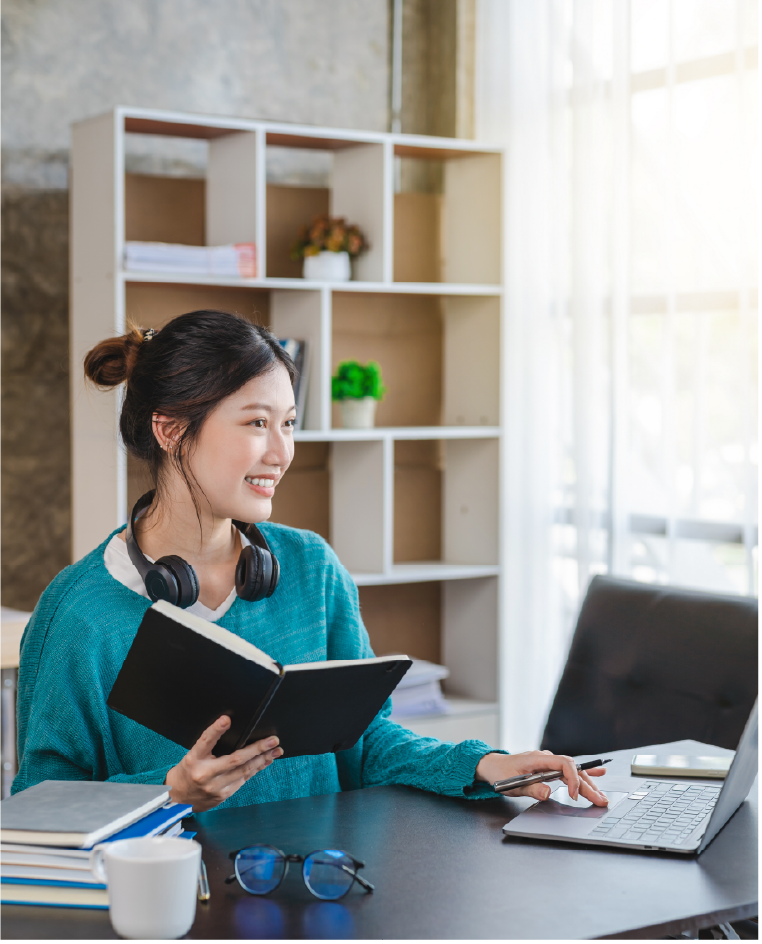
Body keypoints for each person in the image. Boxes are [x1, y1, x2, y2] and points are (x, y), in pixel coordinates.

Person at [13, 310, 608, 812]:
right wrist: (170, 793)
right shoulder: (81, 612)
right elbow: (39, 804)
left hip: (320, 892)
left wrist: (486, 765)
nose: (282, 452)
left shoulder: (312, 569)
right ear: (170, 429)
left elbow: (367, 741)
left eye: (289, 424)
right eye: (256, 423)